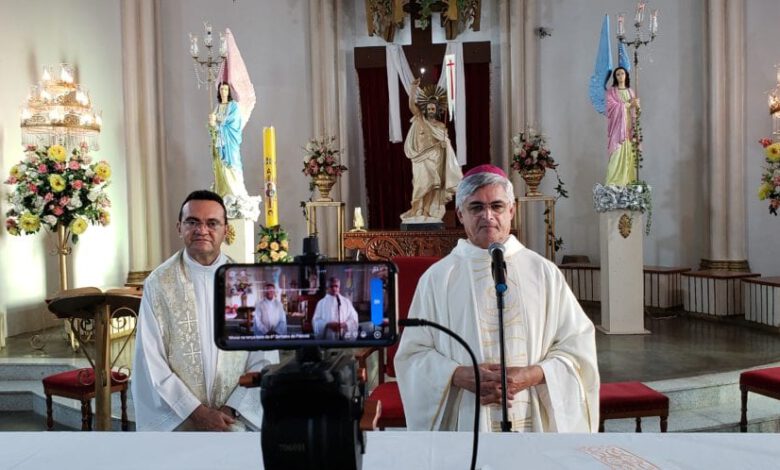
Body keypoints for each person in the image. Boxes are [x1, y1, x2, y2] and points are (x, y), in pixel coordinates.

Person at [394, 164, 599, 432]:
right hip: (466, 417)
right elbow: (413, 354)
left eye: (497, 206)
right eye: (476, 207)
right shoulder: (438, 278)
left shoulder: (543, 272)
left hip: (530, 414)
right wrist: (456, 375)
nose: (487, 216)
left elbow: (576, 347)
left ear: (512, 211)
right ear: (460, 214)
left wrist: (532, 375)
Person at [132, 190, 278, 431]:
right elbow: (151, 359)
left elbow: (263, 357)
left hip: (235, 418)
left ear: (226, 229)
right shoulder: (159, 283)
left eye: (212, 223)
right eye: (192, 222)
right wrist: (197, 413)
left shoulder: (248, 282)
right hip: (178, 419)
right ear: (179, 227)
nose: (202, 230)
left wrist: (230, 409)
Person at [400, 77, 463, 223]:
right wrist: (413, 89)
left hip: (435, 158)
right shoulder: (420, 118)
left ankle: (427, 212)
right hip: (420, 158)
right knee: (420, 184)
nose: (430, 111)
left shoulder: (441, 126)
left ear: (437, 110)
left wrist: (444, 145)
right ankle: (417, 209)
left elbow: (445, 143)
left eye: (433, 108)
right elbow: (411, 106)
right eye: (428, 108)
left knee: (433, 186)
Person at [209, 81, 249, 198]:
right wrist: (212, 124)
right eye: (221, 89)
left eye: (226, 89)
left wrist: (217, 122)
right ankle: (224, 192)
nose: (223, 92)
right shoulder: (217, 107)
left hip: (230, 141)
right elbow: (213, 129)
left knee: (233, 164)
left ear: (229, 91)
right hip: (220, 142)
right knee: (220, 165)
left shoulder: (233, 106)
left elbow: (234, 123)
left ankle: (236, 193)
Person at [605, 67, 640, 186]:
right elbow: (611, 107)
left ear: (626, 75)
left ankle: (627, 182)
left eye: (622, 73)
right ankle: (613, 183)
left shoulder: (631, 91)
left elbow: (635, 111)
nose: (620, 76)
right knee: (616, 153)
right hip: (617, 127)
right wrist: (629, 104)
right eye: (618, 74)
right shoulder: (612, 92)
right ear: (615, 77)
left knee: (629, 154)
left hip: (628, 127)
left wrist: (636, 105)